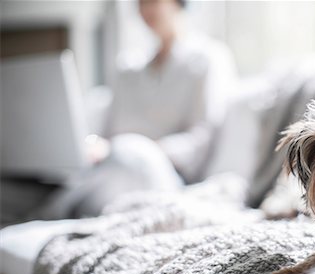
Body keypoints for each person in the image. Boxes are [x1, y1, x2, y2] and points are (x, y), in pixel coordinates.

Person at [39, 0, 237, 219]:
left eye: (153, 1)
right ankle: (56, 207)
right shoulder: (128, 69)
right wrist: (95, 146)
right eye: (140, 2)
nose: (145, 9)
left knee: (131, 154)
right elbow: (105, 134)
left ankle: (50, 212)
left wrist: (142, 149)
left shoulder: (208, 59)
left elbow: (199, 142)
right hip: (113, 168)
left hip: (167, 176)